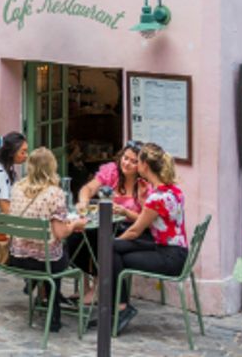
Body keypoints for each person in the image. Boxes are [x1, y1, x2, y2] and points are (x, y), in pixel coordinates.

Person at [108, 143, 188, 337]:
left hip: (168, 257)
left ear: (144, 165)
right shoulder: (173, 190)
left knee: (110, 251)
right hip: (176, 251)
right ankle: (119, 307)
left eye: (138, 160)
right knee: (113, 249)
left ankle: (121, 307)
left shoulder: (156, 198)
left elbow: (135, 231)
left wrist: (115, 242)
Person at [5, 147, 88, 333]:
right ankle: (54, 319)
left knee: (51, 252)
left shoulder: (17, 188)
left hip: (16, 258)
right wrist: (75, 225)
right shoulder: (54, 193)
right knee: (61, 252)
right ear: (52, 167)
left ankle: (34, 284)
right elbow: (60, 233)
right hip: (44, 263)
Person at [74, 140, 152, 302]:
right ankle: (87, 285)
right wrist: (83, 202)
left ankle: (98, 287)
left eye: (133, 161)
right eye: (125, 158)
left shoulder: (144, 185)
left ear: (142, 165)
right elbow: (88, 189)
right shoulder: (112, 171)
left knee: (98, 239)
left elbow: (147, 221)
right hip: (107, 226)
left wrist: (125, 212)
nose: (127, 163)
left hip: (132, 230)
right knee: (77, 235)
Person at [0, 131, 28, 216]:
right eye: (23, 152)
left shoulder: (7, 170)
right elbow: (5, 208)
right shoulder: (0, 174)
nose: (26, 155)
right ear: (11, 153)